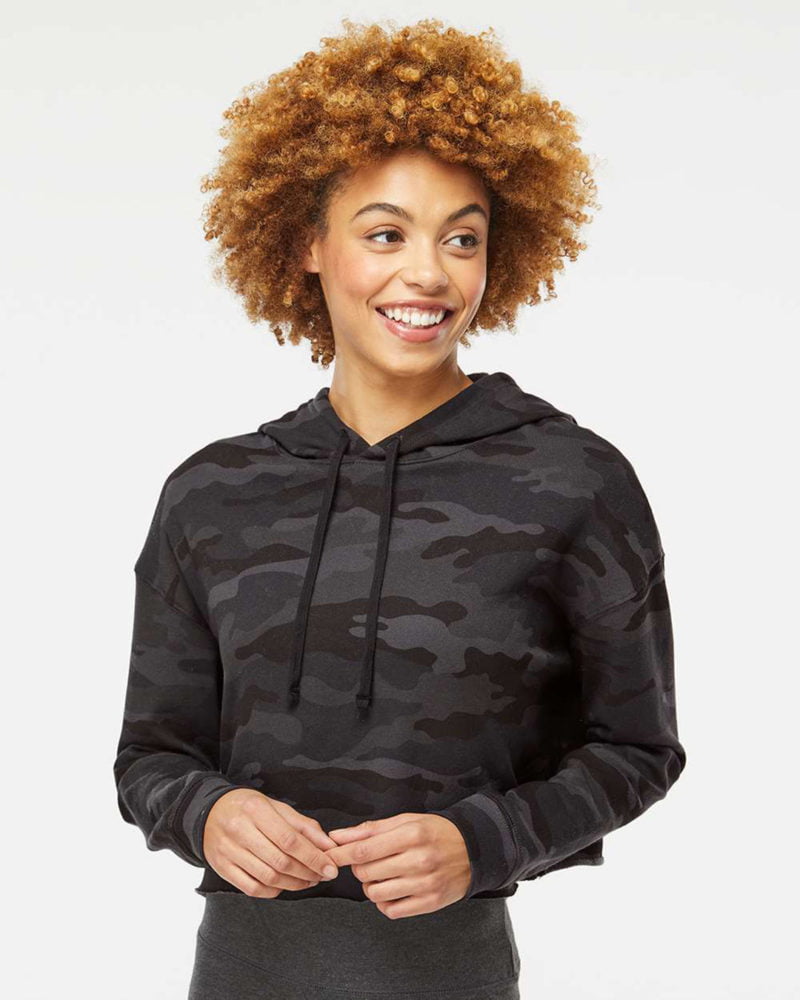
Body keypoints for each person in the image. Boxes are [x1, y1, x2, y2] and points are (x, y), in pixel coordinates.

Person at [113, 17, 686, 1000]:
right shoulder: (211, 492)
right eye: (385, 233)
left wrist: (486, 840)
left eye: (461, 238)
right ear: (307, 244)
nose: (427, 273)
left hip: (450, 971)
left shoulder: (574, 481)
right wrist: (206, 814)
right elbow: (150, 755)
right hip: (239, 972)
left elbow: (637, 748)